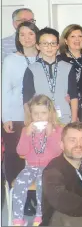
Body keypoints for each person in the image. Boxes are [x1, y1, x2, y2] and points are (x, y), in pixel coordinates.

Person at [11, 95, 62, 227]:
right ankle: (18, 220)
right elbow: (21, 152)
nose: (39, 117)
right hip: (31, 167)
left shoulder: (57, 129)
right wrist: (26, 135)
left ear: (50, 113)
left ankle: (40, 216)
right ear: (31, 114)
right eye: (36, 114)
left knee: (41, 182)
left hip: (50, 167)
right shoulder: (26, 130)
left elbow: (58, 152)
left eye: (43, 113)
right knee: (19, 182)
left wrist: (51, 135)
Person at [2, 22, 40, 186]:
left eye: (30, 34)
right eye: (22, 34)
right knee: (15, 155)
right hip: (16, 115)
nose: (26, 38)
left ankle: (37, 194)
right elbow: (5, 90)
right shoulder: (11, 60)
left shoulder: (44, 56)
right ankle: (16, 192)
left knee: (38, 155)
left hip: (41, 115)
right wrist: (6, 118)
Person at [22, 28, 78, 125]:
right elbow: (27, 98)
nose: (49, 47)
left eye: (53, 43)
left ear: (57, 46)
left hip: (65, 119)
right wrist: (29, 120)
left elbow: (74, 96)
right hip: (40, 120)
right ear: (38, 46)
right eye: (45, 44)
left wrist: (73, 120)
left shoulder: (68, 67)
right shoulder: (31, 69)